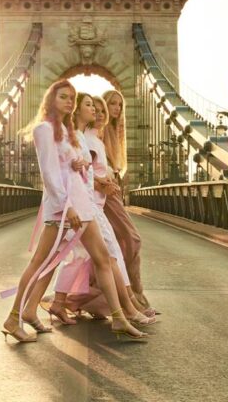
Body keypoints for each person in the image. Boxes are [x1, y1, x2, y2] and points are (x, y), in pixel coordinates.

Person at [0, 80, 146, 342]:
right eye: (63, 97)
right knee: (40, 263)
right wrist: (65, 208)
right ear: (51, 100)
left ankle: (119, 318)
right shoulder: (44, 129)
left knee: (103, 258)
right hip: (63, 209)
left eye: (71, 97)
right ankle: (13, 318)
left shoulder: (69, 132)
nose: (69, 101)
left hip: (83, 205)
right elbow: (49, 173)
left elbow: (71, 167)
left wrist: (78, 164)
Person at [36, 93, 155, 325]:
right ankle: (129, 307)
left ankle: (61, 303)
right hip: (84, 206)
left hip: (88, 205)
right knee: (108, 254)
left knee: (78, 256)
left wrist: (93, 176)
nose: (99, 112)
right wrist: (97, 183)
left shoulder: (85, 137)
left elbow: (81, 171)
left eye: (101, 108)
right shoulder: (78, 138)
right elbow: (60, 173)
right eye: (91, 106)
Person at [102, 89, 154, 311]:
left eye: (120, 105)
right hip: (106, 194)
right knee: (132, 239)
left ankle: (119, 300)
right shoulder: (99, 131)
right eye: (112, 103)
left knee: (115, 245)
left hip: (113, 191)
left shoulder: (114, 133)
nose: (116, 108)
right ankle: (136, 293)